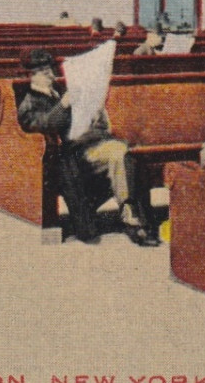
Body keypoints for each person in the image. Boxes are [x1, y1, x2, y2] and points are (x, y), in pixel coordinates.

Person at [15, 49, 159, 246]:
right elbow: (44, 124)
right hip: (73, 157)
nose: (50, 74)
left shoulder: (60, 91)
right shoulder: (30, 102)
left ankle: (136, 218)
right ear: (30, 76)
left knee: (128, 155)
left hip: (94, 144)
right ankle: (130, 213)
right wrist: (63, 105)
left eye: (49, 69)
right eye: (42, 71)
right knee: (119, 152)